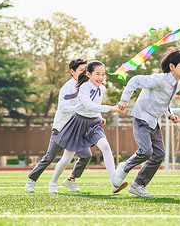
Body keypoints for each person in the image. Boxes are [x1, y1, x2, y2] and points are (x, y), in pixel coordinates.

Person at [113, 47, 180, 197]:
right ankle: (124, 168)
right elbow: (134, 80)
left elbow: (164, 103)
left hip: (155, 121)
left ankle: (138, 185)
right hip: (142, 116)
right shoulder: (159, 79)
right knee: (146, 151)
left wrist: (170, 114)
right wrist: (124, 99)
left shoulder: (177, 85)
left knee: (159, 154)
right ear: (172, 67)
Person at [50, 60, 127, 194]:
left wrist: (99, 117)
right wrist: (112, 108)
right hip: (78, 124)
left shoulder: (101, 89)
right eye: (97, 74)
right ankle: (53, 182)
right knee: (66, 159)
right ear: (88, 74)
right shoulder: (84, 87)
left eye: (103, 74)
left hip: (93, 124)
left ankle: (114, 182)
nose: (101, 78)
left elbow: (95, 107)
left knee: (105, 146)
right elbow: (89, 106)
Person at [25, 58, 92, 193]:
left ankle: (71, 180)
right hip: (61, 128)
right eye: (81, 70)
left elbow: (91, 106)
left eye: (86, 70)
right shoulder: (66, 88)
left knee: (86, 155)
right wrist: (78, 108)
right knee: (50, 157)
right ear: (72, 71)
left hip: (77, 130)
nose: (84, 73)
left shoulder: (88, 86)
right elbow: (63, 107)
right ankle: (31, 180)